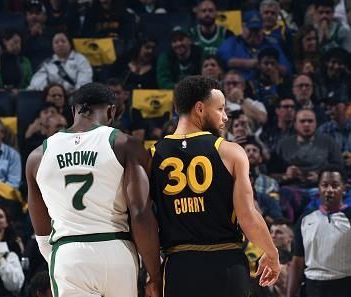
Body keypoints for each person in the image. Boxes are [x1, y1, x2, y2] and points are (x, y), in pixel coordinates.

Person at [25, 82, 161, 297]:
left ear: (73, 110)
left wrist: (59, 260)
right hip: (117, 249)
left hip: (68, 251)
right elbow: (140, 213)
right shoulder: (125, 144)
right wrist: (155, 273)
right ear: (111, 111)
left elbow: (41, 229)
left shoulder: (37, 156)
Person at [149, 76, 280, 297]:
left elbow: (147, 219)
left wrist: (152, 274)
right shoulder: (230, 151)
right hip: (225, 263)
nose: (225, 117)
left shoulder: (154, 154)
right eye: (220, 109)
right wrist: (271, 253)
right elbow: (247, 216)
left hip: (179, 265)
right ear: (200, 108)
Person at [287, 166, 351, 297]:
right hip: (312, 287)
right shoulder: (305, 219)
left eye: (335, 185)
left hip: (344, 285)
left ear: (344, 189)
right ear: (319, 188)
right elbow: (297, 262)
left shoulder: (349, 217)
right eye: (325, 185)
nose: (329, 190)